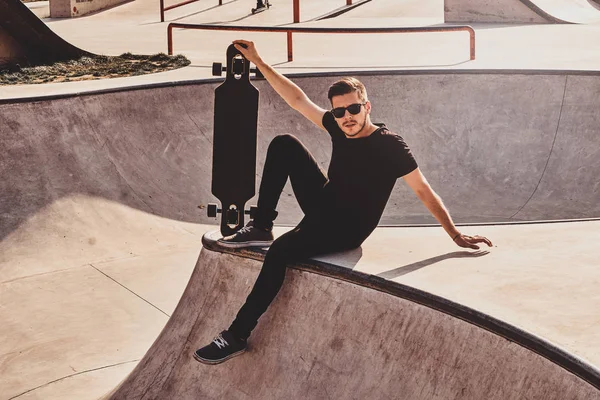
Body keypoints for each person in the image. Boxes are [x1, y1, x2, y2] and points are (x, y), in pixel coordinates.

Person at [193, 39, 493, 365]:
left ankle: (236, 335)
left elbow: (423, 190)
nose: (347, 118)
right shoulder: (338, 126)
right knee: (284, 144)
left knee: (280, 253)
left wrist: (455, 234)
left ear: (367, 106)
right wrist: (259, 62)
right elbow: (297, 99)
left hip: (346, 229)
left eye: (353, 109)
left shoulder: (389, 146)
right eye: (339, 111)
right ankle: (262, 225)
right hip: (325, 203)